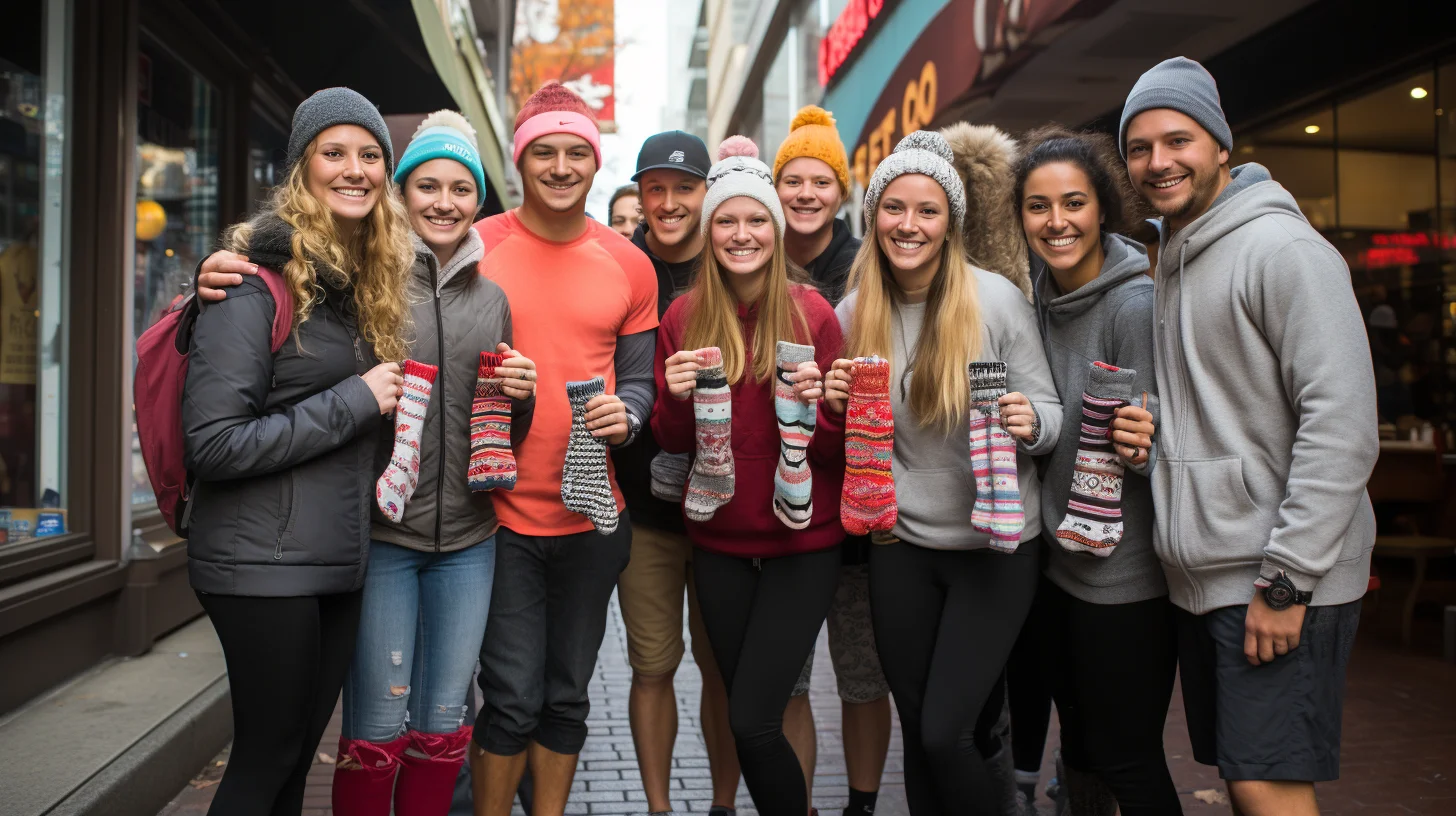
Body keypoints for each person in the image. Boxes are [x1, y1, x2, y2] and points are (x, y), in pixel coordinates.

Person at [194, 109, 542, 815]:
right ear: (402, 193)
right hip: (365, 538)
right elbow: (228, 418)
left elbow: (497, 431)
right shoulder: (328, 277)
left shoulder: (463, 295)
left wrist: (521, 399)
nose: (444, 201)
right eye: (427, 185)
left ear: (479, 200)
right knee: (334, 738)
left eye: (462, 188)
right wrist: (214, 270)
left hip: (442, 538)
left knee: (419, 726)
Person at [1119, 57, 1377, 816]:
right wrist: (1155, 433)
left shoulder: (1283, 251)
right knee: (1243, 777)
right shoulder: (1175, 256)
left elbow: (1343, 422)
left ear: (1221, 145)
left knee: (1265, 783)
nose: (1158, 161)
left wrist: (1287, 582)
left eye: (1179, 139)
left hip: (1276, 574)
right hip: (1211, 575)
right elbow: (1229, 404)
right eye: (1140, 147)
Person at [181, 87, 414, 816]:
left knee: (287, 772)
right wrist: (355, 402)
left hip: (332, 564)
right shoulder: (252, 281)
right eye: (334, 152)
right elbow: (214, 444)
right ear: (302, 167)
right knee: (265, 763)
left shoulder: (357, 282)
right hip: (259, 565)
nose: (355, 169)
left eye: (370, 155)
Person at [824, 130, 1061, 815]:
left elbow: (1050, 410)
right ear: (874, 217)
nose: (909, 224)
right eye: (894, 208)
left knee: (945, 732)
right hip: (901, 546)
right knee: (921, 733)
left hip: (995, 545)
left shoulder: (996, 301)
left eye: (927, 210)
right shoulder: (853, 312)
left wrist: (1030, 421)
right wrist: (835, 407)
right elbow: (831, 439)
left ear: (951, 222)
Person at [470, 81, 657, 816]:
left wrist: (628, 414)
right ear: (520, 160)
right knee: (512, 695)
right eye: (543, 150)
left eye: (576, 151)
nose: (559, 165)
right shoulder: (476, 245)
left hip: (593, 519)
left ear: (594, 160)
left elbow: (640, 383)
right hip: (497, 518)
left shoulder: (627, 262)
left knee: (567, 694)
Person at [652, 135, 845, 816]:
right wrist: (673, 399)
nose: (742, 234)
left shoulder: (813, 313)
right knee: (745, 711)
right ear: (710, 233)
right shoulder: (683, 315)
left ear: (778, 227)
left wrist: (826, 406)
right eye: (727, 221)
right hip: (719, 541)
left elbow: (832, 452)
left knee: (755, 719)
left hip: (804, 542)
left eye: (756, 219)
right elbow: (672, 446)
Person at [1014, 124, 1178, 815]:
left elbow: (1160, 430)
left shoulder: (1132, 303)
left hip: (1126, 579)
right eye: (1039, 206)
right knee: (1079, 748)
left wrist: (1148, 439)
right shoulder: (1036, 301)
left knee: (1127, 757)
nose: (1058, 222)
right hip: (1057, 568)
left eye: (1074, 203)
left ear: (1103, 208)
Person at [613, 130, 744, 816]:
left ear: (706, 191)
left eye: (683, 188)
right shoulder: (618, 265)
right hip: (644, 511)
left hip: (727, 512)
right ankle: (660, 808)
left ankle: (723, 805)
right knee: (652, 665)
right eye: (654, 188)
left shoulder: (734, 263)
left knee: (723, 668)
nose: (667, 202)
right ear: (639, 193)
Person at [773, 105, 890, 816]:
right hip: (783, 505)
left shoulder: (869, 265)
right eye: (794, 180)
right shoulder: (752, 254)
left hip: (856, 506)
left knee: (861, 676)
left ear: (841, 192)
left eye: (821, 181)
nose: (807, 193)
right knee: (785, 680)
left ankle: (862, 806)